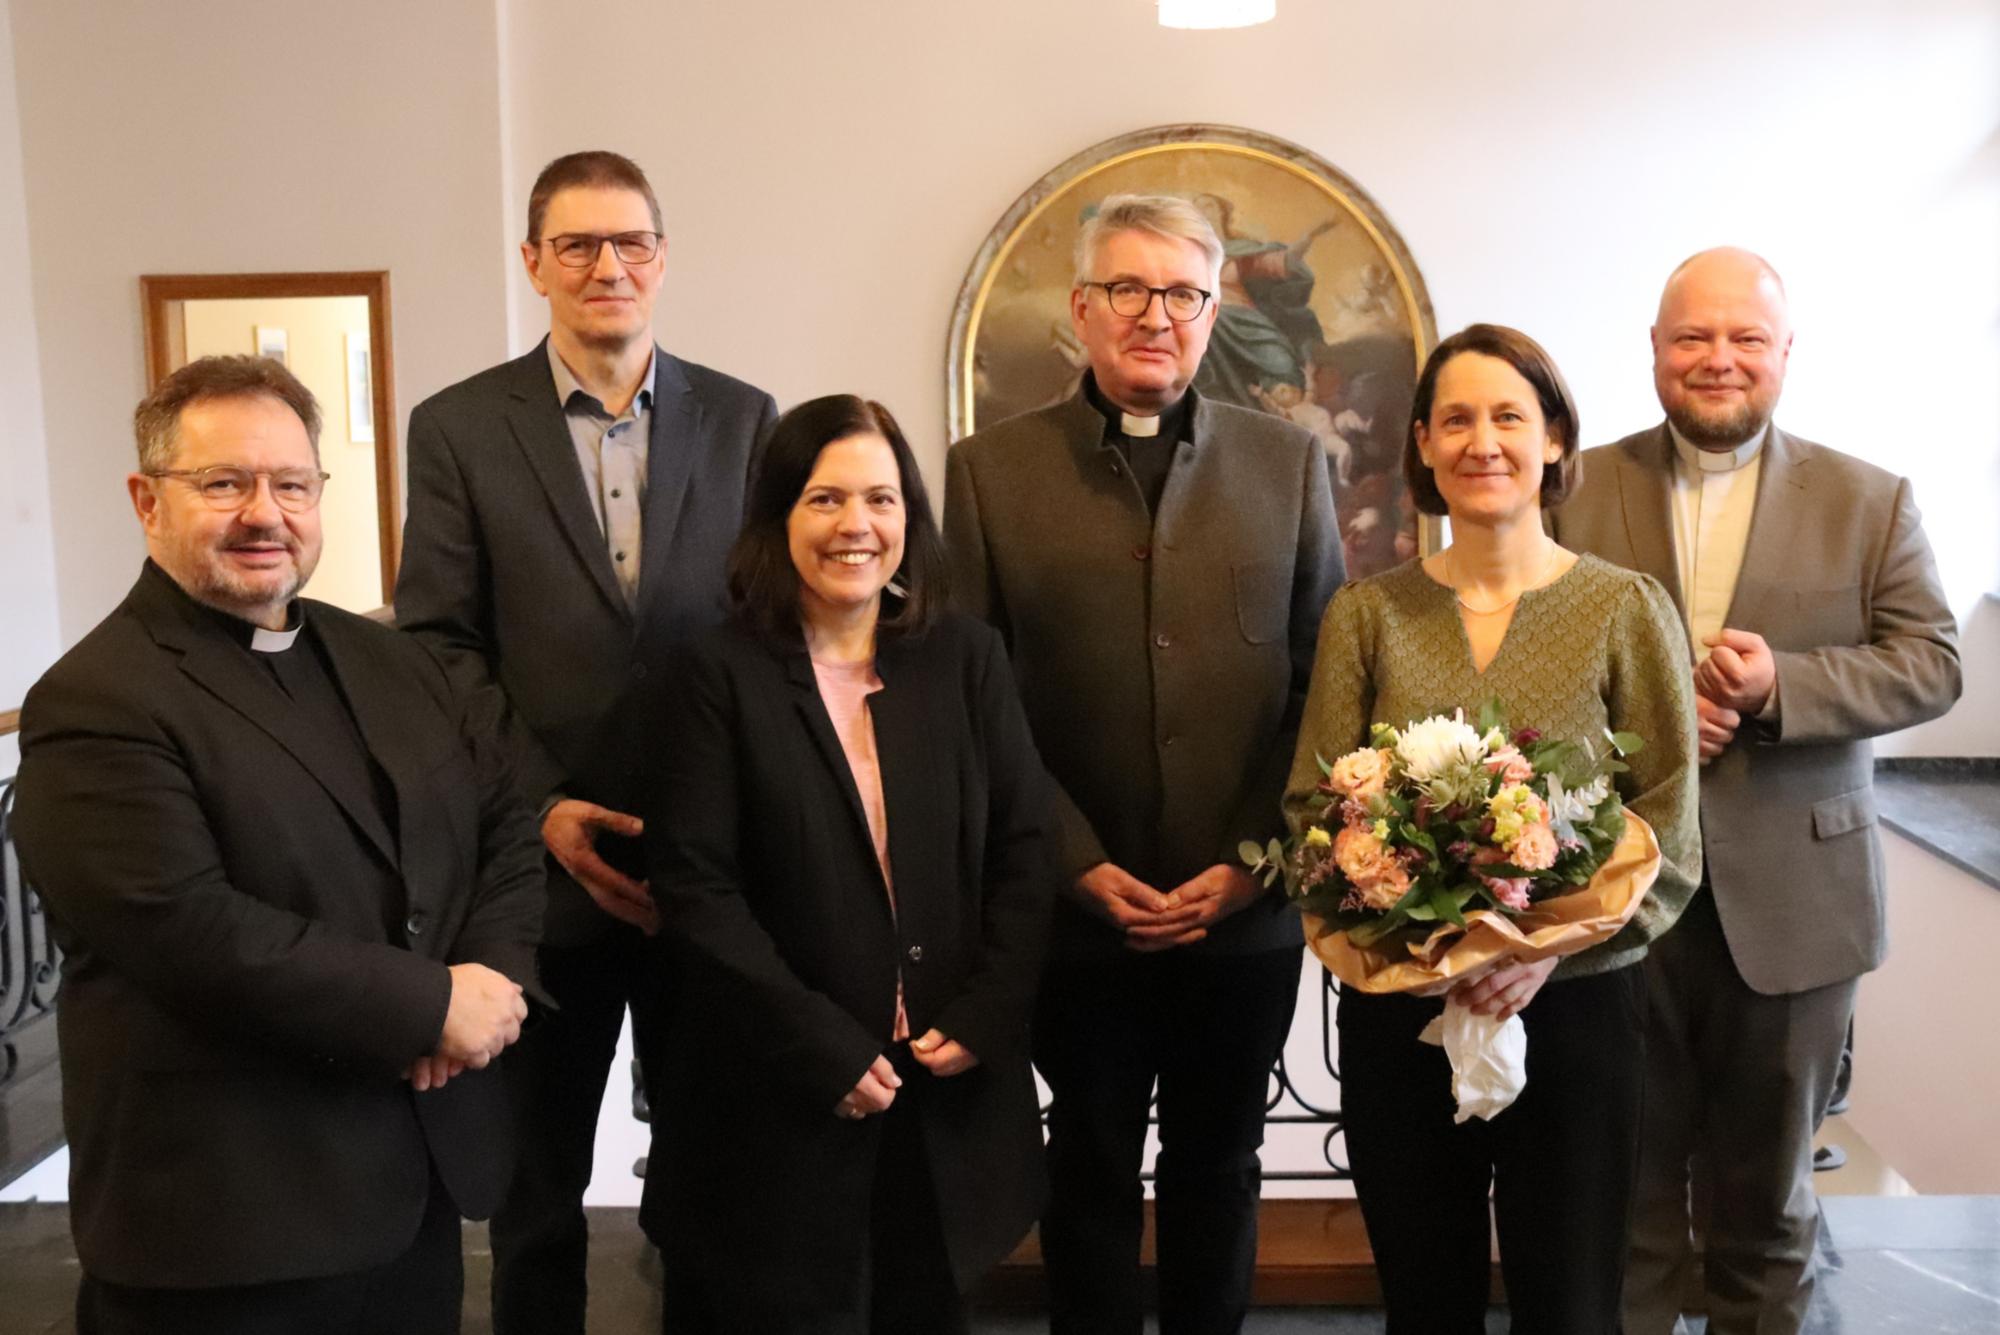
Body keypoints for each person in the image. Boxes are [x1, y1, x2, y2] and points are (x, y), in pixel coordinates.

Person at [12, 356, 543, 1334]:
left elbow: (503, 819)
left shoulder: (390, 658)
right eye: (224, 483)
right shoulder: (95, 702)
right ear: (146, 498)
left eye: (291, 484)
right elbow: (192, 933)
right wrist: (428, 1005)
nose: (265, 513)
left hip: (405, 1199)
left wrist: (490, 976)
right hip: (228, 1230)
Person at [945, 193, 1345, 1335]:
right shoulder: (988, 473)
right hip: (1075, 916)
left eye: (1180, 294)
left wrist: (1253, 864)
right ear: (1081, 308)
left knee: (1219, 1167)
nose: (1153, 317)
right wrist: (1072, 862)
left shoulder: (1287, 465)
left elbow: (1322, 686)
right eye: (1127, 289)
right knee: (1087, 1166)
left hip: (1241, 912)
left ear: (1213, 311)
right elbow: (976, 698)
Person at [393, 149, 777, 1333]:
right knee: (537, 1194)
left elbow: (770, 633)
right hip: (536, 870)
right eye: (577, 245)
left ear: (664, 258)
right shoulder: (457, 427)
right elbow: (442, 645)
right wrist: (544, 806)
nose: (607, 267)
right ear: (533, 263)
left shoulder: (747, 418)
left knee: (715, 1186)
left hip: (705, 867)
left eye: (631, 243)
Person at [1550, 248, 1961, 1334]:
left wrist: (1782, 685)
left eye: (1743, 339)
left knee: (1766, 1213)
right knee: (1624, 1208)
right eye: (1691, 337)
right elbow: (1525, 669)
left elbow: (1933, 661)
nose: (1716, 360)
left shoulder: (1870, 500)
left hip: (1796, 906)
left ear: (1784, 354)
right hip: (1615, 900)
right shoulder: (1574, 488)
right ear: (1652, 350)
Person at [1284, 323, 1702, 1333]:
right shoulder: (1365, 615)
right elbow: (1309, 811)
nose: (1483, 441)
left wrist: (1540, 955)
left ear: (1553, 440)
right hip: (1401, 1011)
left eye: (1508, 416)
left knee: (1569, 1304)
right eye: (1456, 419)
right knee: (1423, 1302)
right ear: (1422, 444)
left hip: (1575, 1013)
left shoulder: (1624, 608)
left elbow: (1668, 821)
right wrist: (1401, 929)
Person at [637, 395, 1052, 1333]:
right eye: (826, 499)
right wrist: (821, 1043)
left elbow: (1028, 849)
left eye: (882, 497)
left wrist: (986, 1009)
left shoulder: (964, 658)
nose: (857, 526)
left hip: (938, 1091)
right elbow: (698, 889)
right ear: (779, 514)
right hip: (775, 1103)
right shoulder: (715, 673)